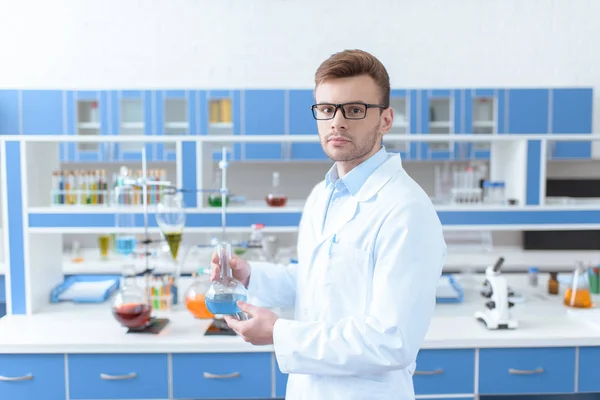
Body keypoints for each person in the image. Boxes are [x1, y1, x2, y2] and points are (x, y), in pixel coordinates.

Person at [210, 49, 447, 400]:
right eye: (326, 109)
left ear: (385, 120)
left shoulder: (406, 210)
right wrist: (252, 276)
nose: (337, 122)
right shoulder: (323, 194)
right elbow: (320, 282)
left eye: (354, 110)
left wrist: (279, 334)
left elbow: (391, 340)